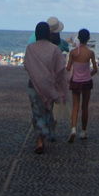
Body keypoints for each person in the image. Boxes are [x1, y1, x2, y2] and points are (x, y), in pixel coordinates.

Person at [24, 21, 68, 154]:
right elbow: (60, 69)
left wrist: (37, 73)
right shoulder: (54, 49)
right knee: (48, 109)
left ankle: (40, 140)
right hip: (49, 85)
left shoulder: (30, 49)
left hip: (34, 85)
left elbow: (27, 66)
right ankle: (49, 132)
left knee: (37, 112)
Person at [66, 28, 98, 142]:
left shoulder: (73, 52)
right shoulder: (90, 53)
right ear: (88, 39)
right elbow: (95, 69)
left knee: (75, 107)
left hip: (75, 81)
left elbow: (68, 67)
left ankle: (73, 128)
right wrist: (88, 74)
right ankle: (83, 131)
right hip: (86, 81)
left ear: (78, 38)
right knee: (85, 107)